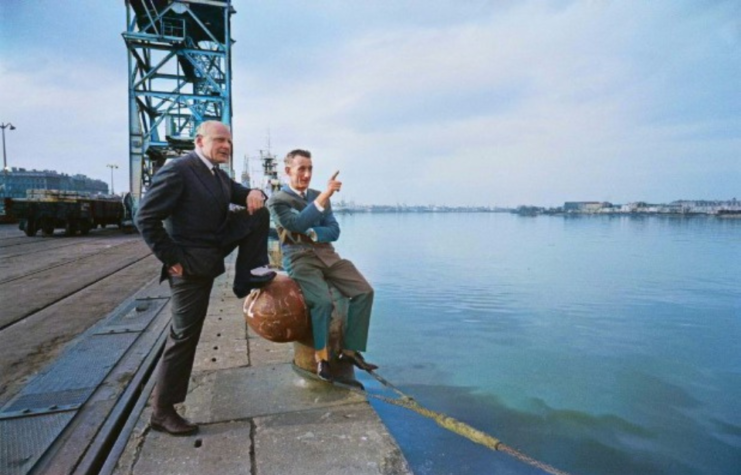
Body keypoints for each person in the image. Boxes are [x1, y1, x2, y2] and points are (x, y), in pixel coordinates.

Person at [136, 120, 275, 435]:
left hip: (211, 251)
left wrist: (255, 191)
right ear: (199, 141)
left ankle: (247, 277)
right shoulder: (179, 170)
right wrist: (171, 259)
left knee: (259, 214)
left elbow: (242, 194)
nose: (226, 145)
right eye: (219, 140)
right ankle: (161, 411)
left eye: (229, 141)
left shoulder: (216, 174)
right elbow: (145, 216)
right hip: (189, 264)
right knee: (184, 335)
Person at [267, 149, 377, 381]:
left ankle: (349, 349)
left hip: (327, 254)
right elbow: (295, 224)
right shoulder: (278, 201)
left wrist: (313, 232)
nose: (307, 174)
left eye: (310, 169)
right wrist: (323, 198)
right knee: (322, 302)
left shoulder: (318, 195)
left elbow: (334, 231)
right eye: (301, 169)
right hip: (299, 258)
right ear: (288, 171)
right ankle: (322, 357)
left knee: (364, 291)